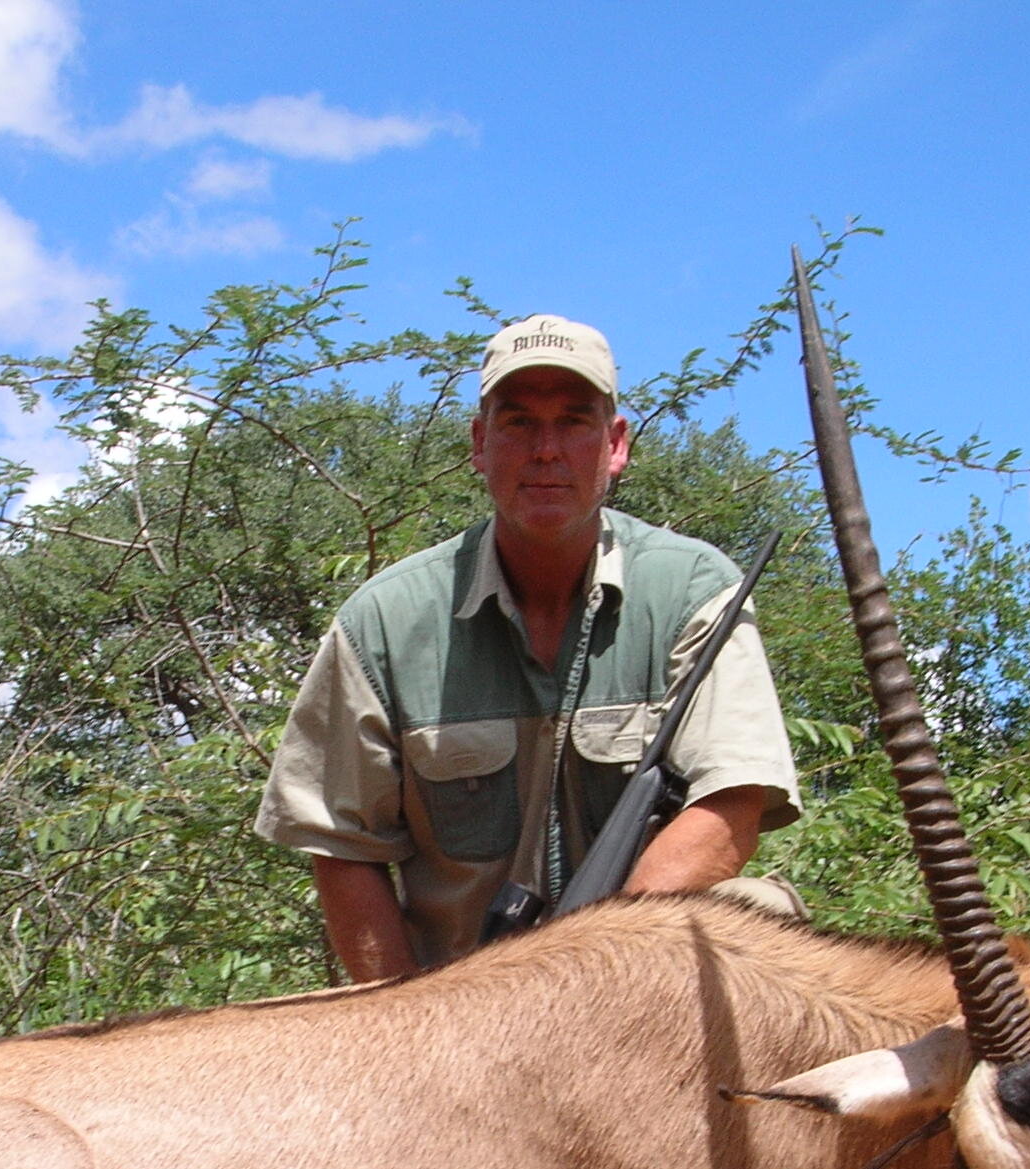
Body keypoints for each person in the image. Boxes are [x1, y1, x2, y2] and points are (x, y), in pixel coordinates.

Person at [256, 313, 800, 981]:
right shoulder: (384, 621)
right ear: (480, 444)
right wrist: (404, 1028)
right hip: (456, 999)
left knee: (758, 917)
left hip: (637, 975)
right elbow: (341, 848)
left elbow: (731, 805)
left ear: (615, 444)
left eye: (574, 421)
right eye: (518, 423)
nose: (547, 449)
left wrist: (582, 974)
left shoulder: (695, 589)